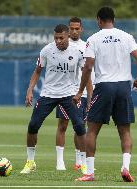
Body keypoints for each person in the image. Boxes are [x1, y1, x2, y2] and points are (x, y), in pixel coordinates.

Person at [74, 7, 137, 182]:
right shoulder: (126, 36)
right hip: (123, 86)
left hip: (104, 86)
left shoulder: (93, 39)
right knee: (125, 131)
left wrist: (80, 91)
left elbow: (88, 67)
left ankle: (89, 173)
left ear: (99, 20)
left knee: (92, 130)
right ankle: (125, 167)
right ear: (113, 19)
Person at [20, 24, 88, 174]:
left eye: (61, 38)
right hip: (48, 94)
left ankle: (84, 164)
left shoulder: (78, 52)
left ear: (68, 36)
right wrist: (30, 90)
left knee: (80, 126)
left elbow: (85, 74)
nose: (58, 41)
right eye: (56, 38)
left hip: (69, 94)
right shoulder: (46, 50)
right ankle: (30, 162)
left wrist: (81, 93)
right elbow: (37, 71)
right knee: (33, 125)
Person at [55, 17, 94, 173]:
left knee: (81, 127)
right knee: (63, 125)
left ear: (81, 29)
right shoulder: (62, 44)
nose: (74, 31)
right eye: (71, 28)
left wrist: (90, 94)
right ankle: (60, 161)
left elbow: (89, 72)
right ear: (68, 29)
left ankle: (80, 161)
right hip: (65, 92)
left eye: (77, 28)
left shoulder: (86, 46)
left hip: (83, 92)